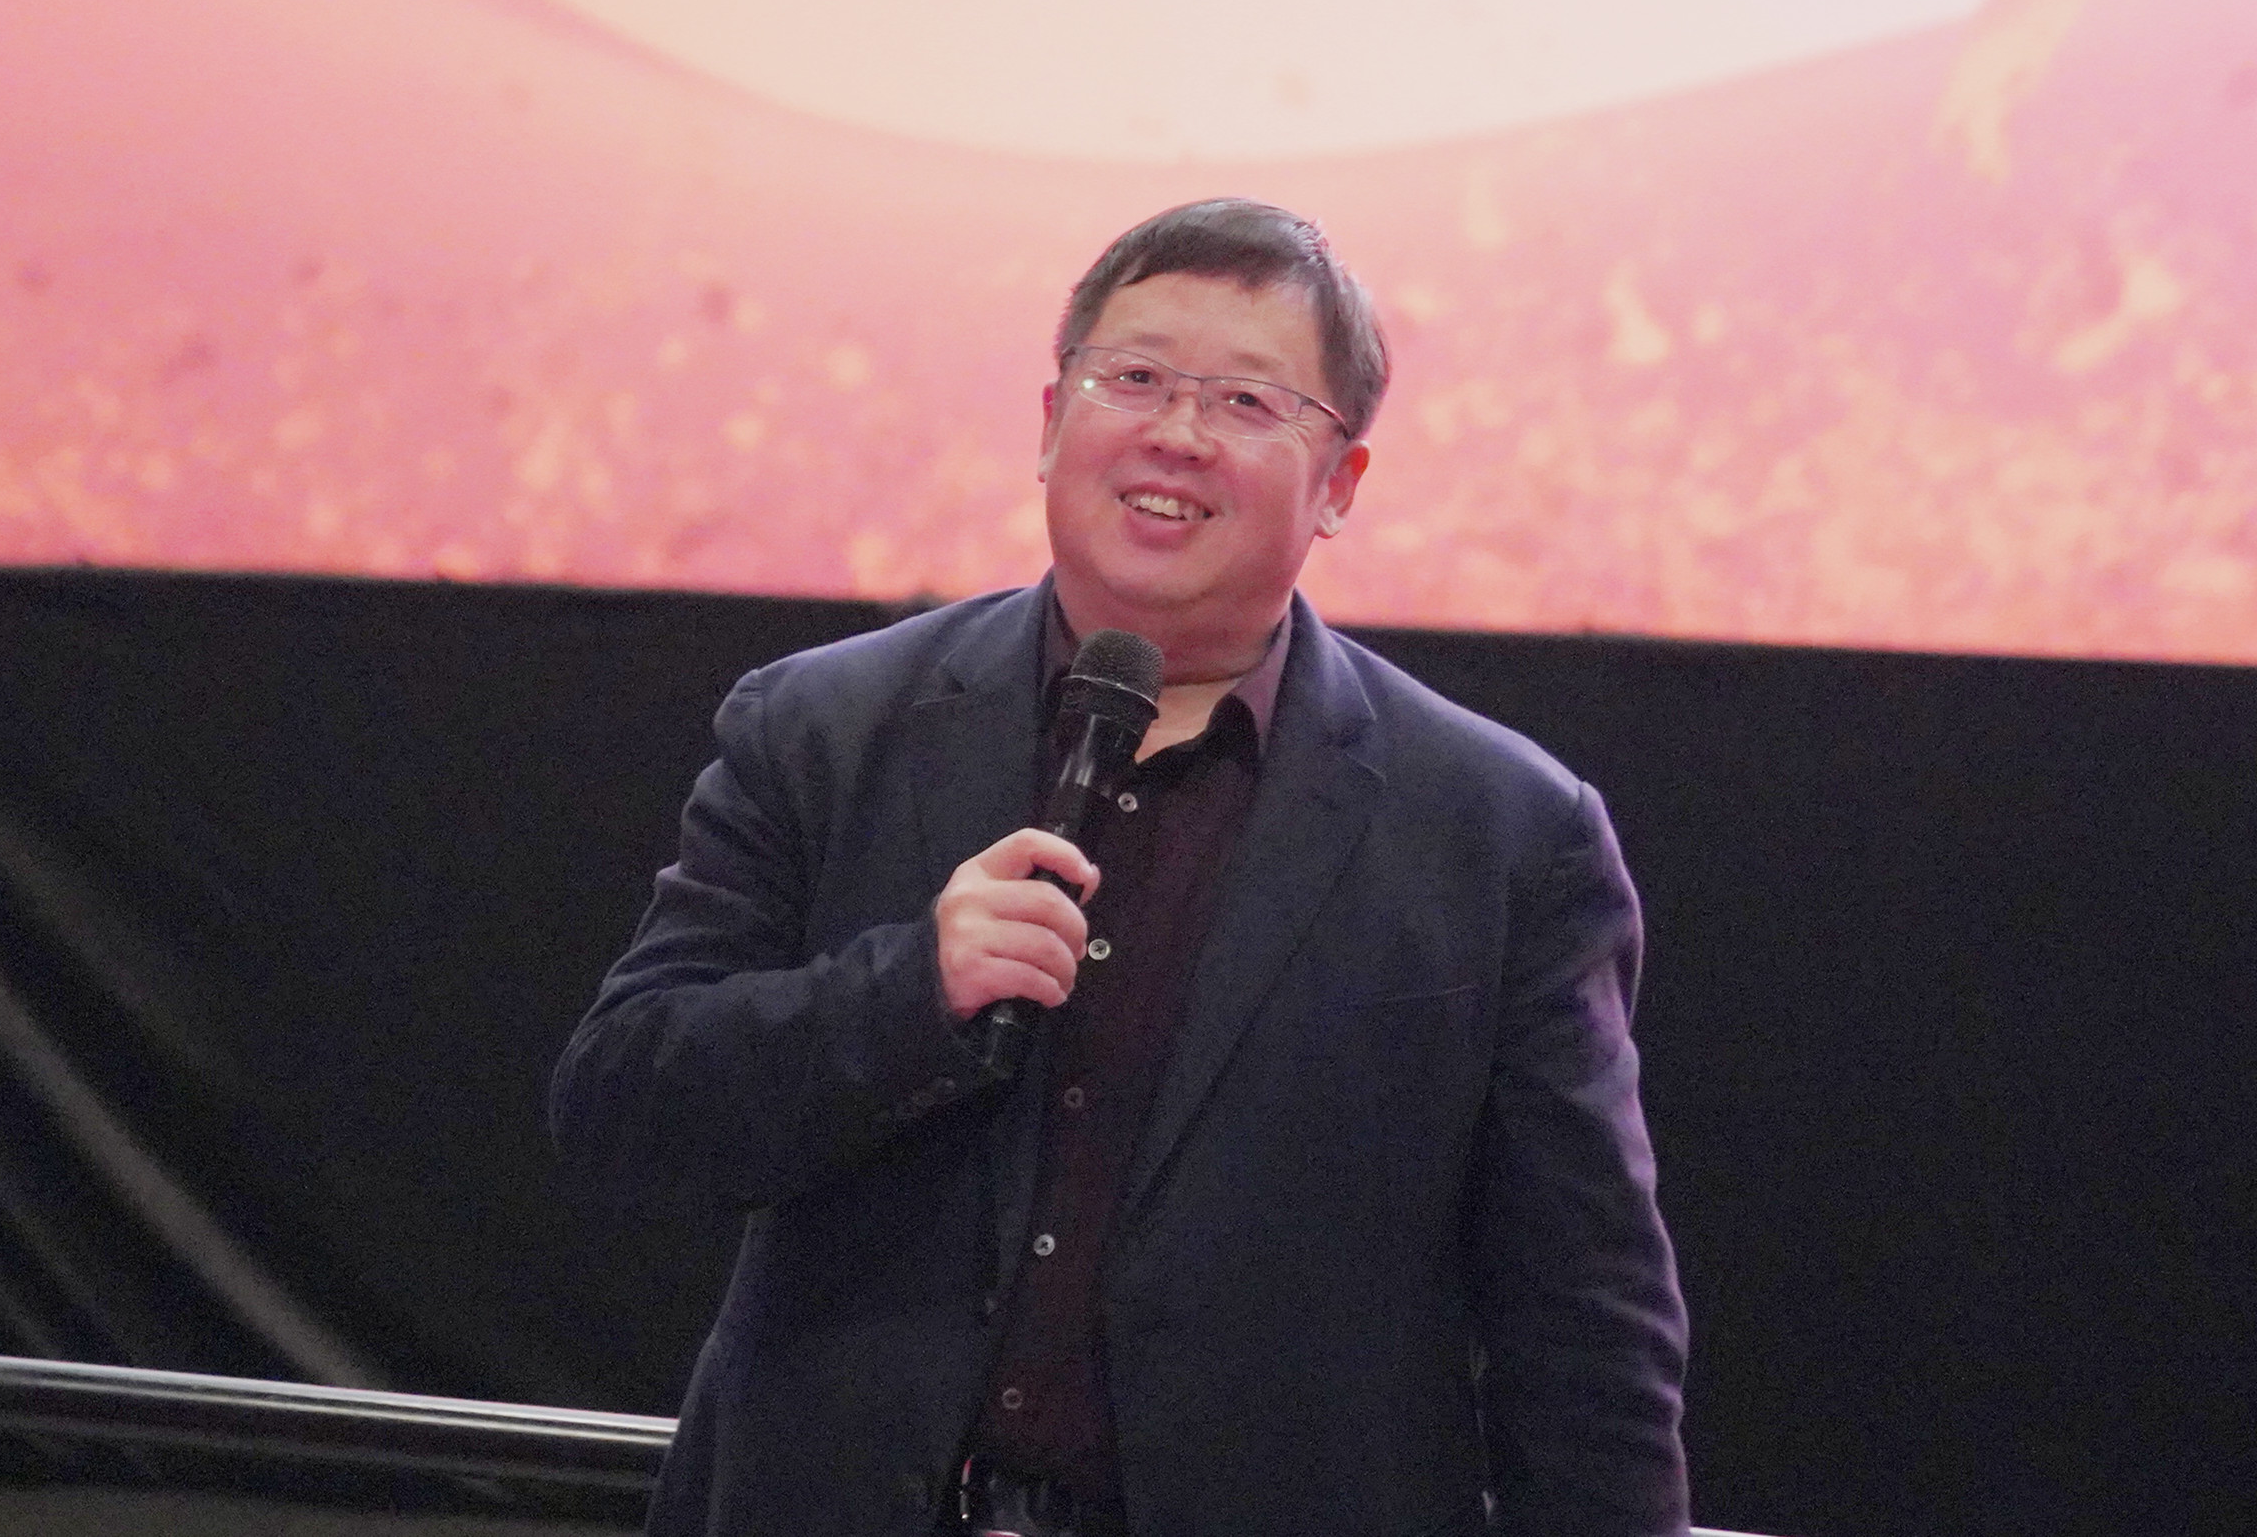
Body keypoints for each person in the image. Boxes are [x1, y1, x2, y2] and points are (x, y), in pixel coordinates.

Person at [550, 198, 1687, 1537]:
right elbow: (623, 1110)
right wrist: (906, 995)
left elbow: (1585, 1321)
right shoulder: (823, 729)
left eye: (1248, 401)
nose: (1176, 434)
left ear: (1340, 486)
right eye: (1134, 378)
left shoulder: (1499, 833)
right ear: (1049, 421)